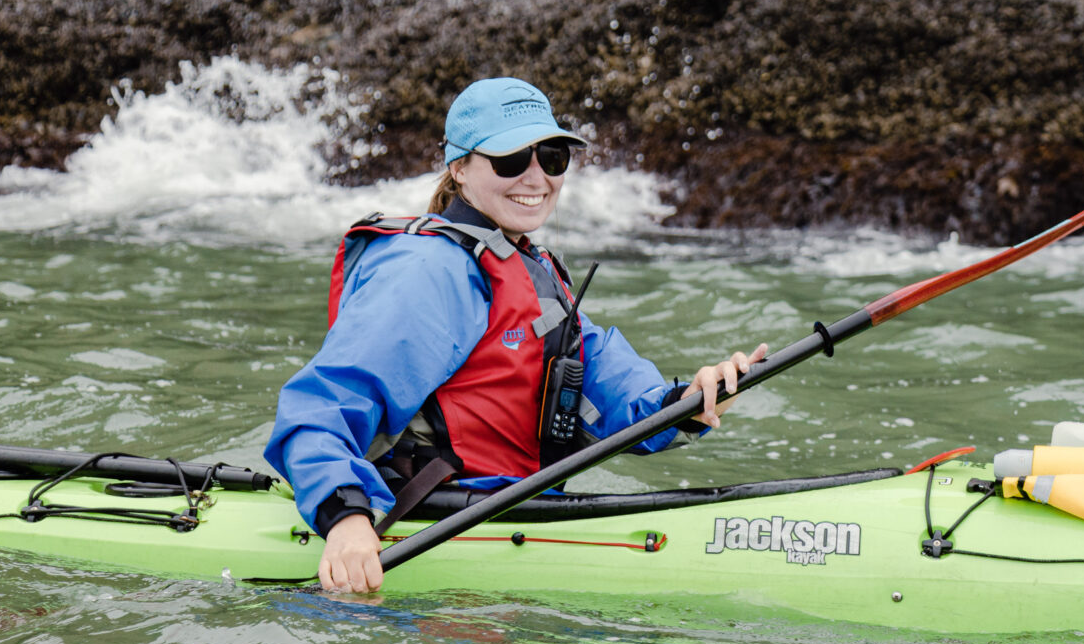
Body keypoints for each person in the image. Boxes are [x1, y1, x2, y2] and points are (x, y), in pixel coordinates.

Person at [264, 77, 765, 595]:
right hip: (429, 520)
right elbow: (320, 406)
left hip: (509, 512)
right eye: (509, 161)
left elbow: (612, 390)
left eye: (551, 157)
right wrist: (346, 518)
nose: (536, 177)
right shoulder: (428, 270)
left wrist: (690, 399)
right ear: (458, 168)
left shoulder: (529, 266)